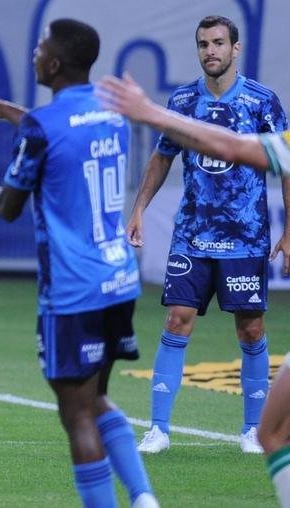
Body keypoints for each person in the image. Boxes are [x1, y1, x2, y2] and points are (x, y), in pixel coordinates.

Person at [0, 19, 158, 508]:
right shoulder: (111, 113)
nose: (33, 53)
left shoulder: (42, 126)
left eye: (39, 47)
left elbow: (8, 206)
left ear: (53, 63)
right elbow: (59, 129)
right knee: (96, 399)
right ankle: (143, 498)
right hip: (118, 280)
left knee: (76, 413)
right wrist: (4, 109)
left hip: (72, 290)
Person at [98, 73, 290, 506]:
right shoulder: (183, 100)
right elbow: (163, 156)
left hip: (246, 236)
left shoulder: (263, 101)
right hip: (192, 235)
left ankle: (250, 430)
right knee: (177, 320)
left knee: (252, 330)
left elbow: (285, 164)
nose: (211, 50)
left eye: (219, 42)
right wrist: (139, 209)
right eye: (204, 43)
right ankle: (159, 428)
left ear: (234, 49)